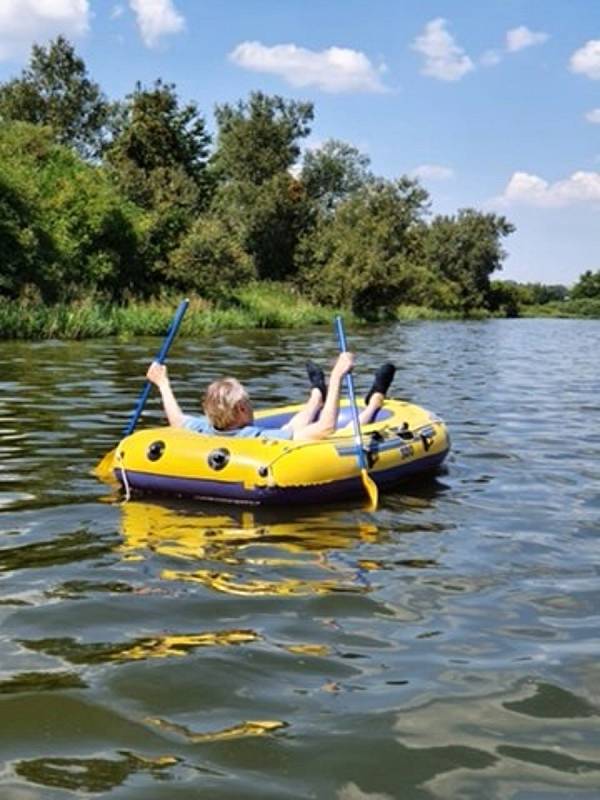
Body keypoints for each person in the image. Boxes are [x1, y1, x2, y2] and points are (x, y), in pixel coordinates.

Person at [146, 356, 395, 442]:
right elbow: (326, 428)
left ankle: (317, 395)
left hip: (231, 438)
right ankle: (375, 399)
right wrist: (338, 375)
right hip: (268, 450)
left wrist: (163, 383)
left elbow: (177, 421)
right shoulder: (254, 438)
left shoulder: (205, 429)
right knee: (349, 430)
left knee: (288, 428)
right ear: (242, 409)